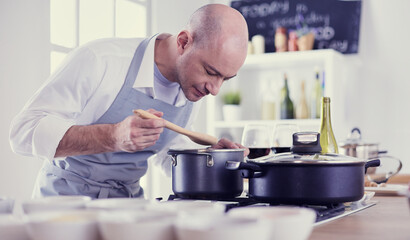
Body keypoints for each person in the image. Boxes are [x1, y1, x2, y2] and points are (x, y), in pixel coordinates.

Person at [9, 4, 249, 199]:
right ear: (184, 42)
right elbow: (22, 132)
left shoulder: (192, 86)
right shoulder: (100, 60)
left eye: (225, 79)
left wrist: (208, 157)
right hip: (63, 206)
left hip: (126, 208)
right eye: (210, 72)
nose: (215, 89)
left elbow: (167, 151)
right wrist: (113, 136)